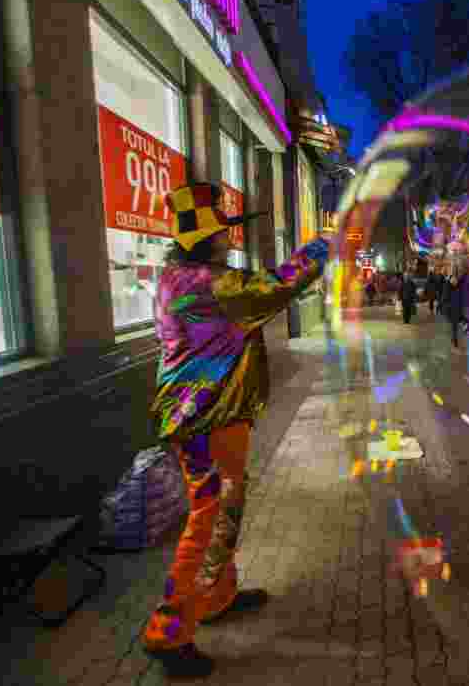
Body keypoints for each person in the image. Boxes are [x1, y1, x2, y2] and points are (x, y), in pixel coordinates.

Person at [143, 183, 330, 679]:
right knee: (207, 517)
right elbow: (274, 285)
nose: (229, 238)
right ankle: (168, 630)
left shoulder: (177, 278)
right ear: (206, 239)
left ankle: (217, 597)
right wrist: (322, 247)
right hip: (208, 418)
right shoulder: (210, 284)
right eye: (222, 231)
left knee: (224, 508)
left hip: (203, 415)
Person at [446, 266, 465, 349]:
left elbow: (462, 298)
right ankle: (454, 341)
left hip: (459, 310)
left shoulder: (459, 288)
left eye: (455, 280)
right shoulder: (448, 288)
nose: (454, 281)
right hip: (452, 311)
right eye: (453, 280)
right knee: (454, 327)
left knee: (459, 325)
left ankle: (455, 339)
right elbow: (444, 300)